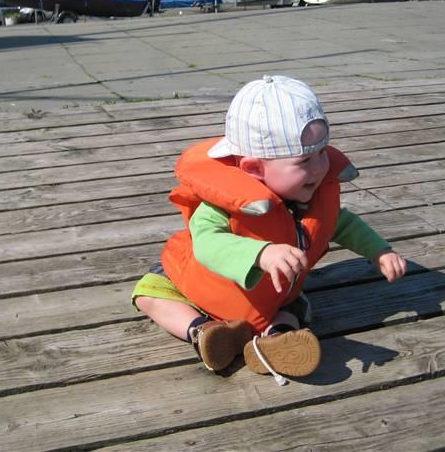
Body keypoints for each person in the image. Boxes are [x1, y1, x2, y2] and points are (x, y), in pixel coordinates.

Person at [132, 75, 406, 381]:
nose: (319, 168)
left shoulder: (314, 196)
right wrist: (262, 253)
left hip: (270, 297)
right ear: (253, 168)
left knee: (293, 306)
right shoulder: (220, 203)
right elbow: (207, 244)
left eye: (322, 153)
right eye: (304, 160)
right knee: (150, 292)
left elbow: (341, 222)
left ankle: (275, 338)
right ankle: (202, 330)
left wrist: (378, 251)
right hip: (195, 287)